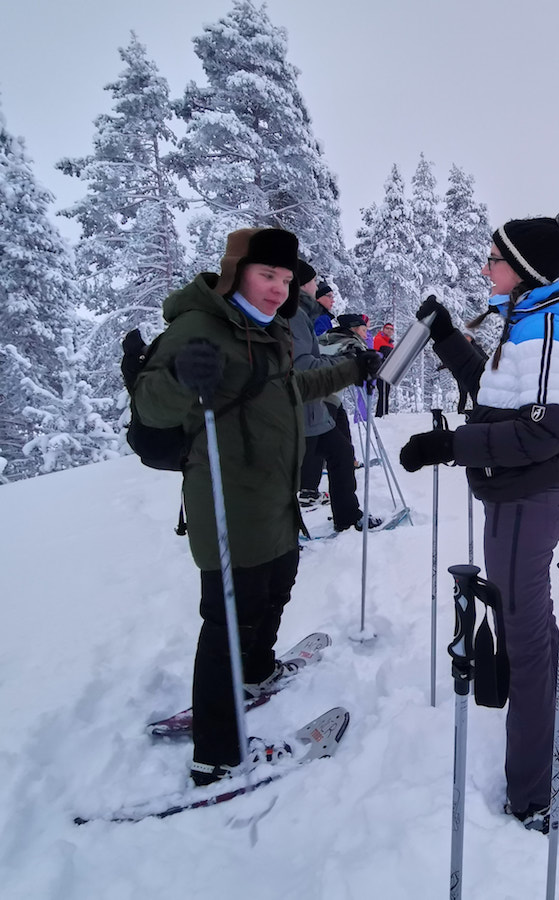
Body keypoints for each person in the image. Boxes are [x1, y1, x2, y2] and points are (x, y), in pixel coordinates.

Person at [130, 228, 380, 784]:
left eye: (287, 280)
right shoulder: (198, 327)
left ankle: (259, 671)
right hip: (228, 500)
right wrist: (178, 378)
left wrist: (353, 369)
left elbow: (290, 387)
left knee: (279, 580)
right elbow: (148, 404)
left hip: (273, 494)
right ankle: (216, 755)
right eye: (268, 275)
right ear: (237, 270)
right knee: (227, 620)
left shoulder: (266, 331)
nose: (277, 289)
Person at [397, 212, 559, 825]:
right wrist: (451, 336)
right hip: (514, 500)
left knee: (525, 644)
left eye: (495, 260)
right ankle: (558, 743)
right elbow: (496, 393)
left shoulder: (549, 325)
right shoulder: (529, 318)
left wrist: (447, 447)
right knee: (535, 632)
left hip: (526, 500)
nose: (486, 268)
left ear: (524, 270)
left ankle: (531, 795)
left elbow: (541, 432)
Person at [294, 273, 370, 529]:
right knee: (300, 462)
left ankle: (347, 516)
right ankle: (291, 520)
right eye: (315, 283)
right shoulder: (296, 315)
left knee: (340, 452)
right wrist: (350, 366)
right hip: (307, 401)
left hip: (319, 402)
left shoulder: (309, 315)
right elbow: (306, 365)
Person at [311, 313, 382, 530]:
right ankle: (347, 515)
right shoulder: (349, 343)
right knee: (339, 454)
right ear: (353, 328)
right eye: (363, 328)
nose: (366, 332)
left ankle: (345, 512)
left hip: (327, 400)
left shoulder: (326, 338)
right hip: (322, 403)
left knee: (342, 452)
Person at [372, 322, 395, 417]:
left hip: (387, 370)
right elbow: (374, 353)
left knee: (386, 391)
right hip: (380, 369)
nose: (389, 330)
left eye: (391, 329)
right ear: (383, 329)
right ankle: (380, 414)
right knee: (382, 391)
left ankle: (385, 413)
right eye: (387, 328)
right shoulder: (378, 339)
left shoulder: (390, 343)